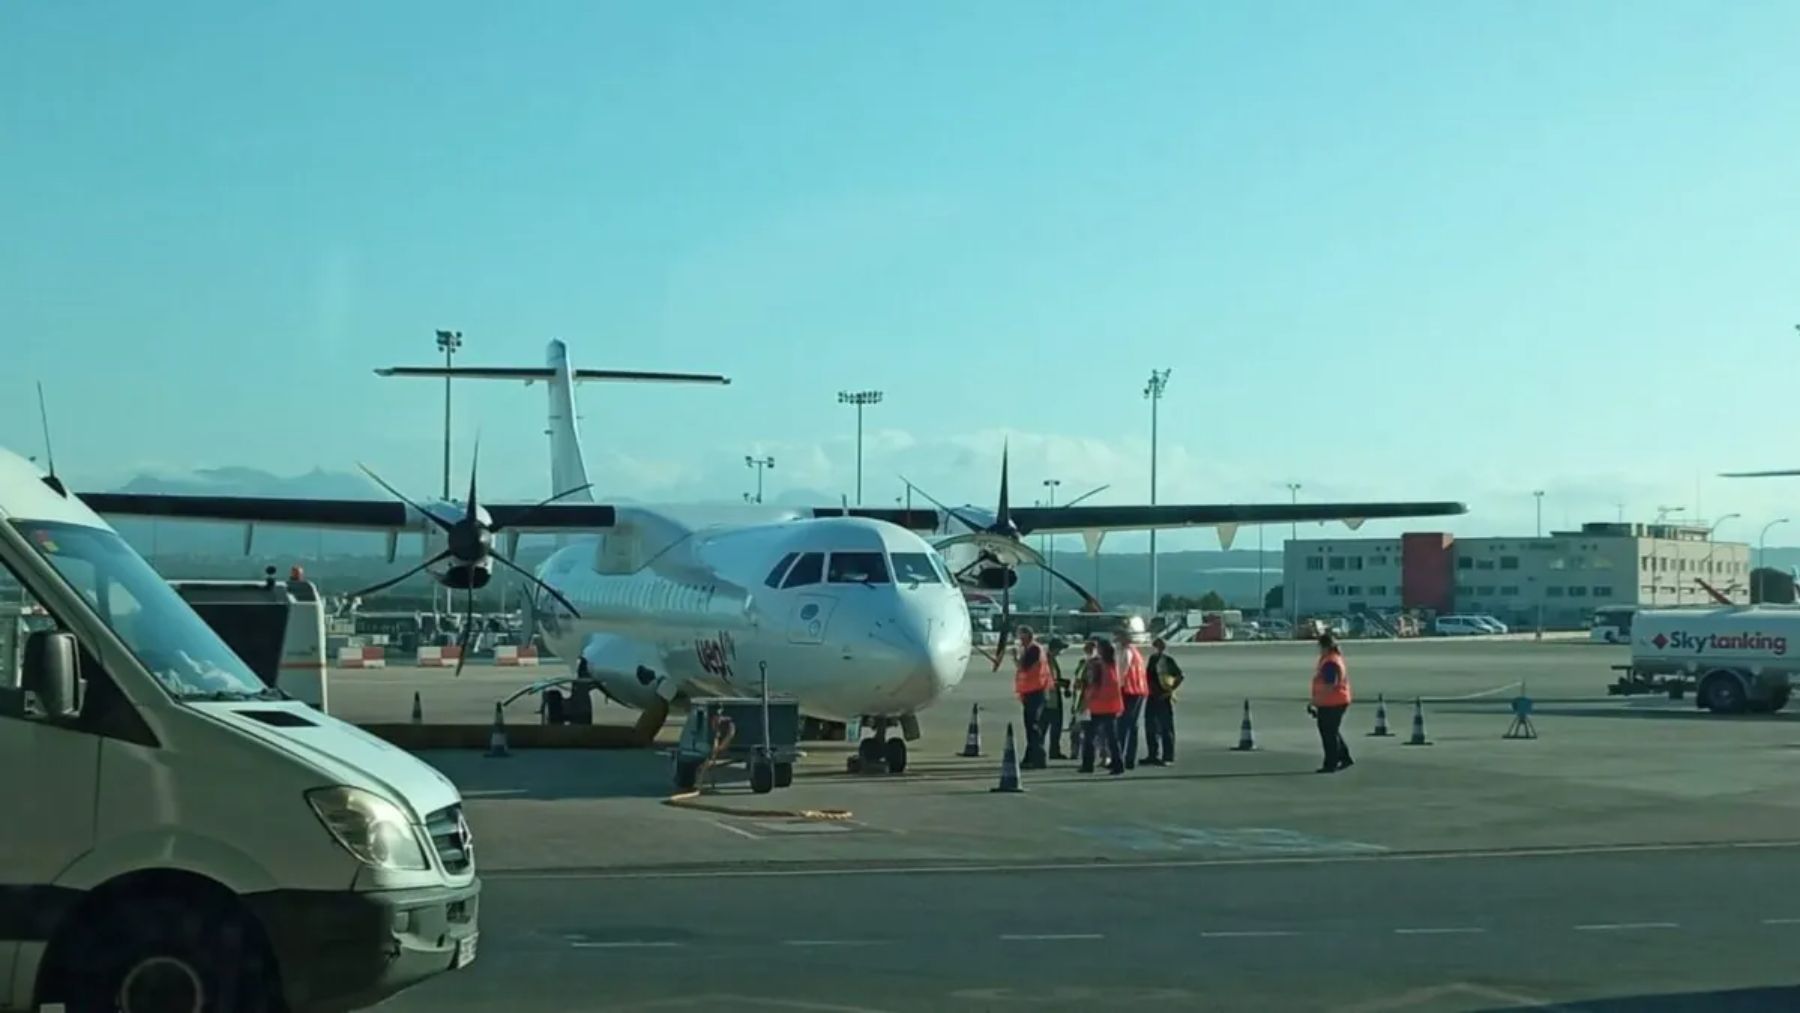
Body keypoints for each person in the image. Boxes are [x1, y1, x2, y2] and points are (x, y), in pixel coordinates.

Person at [1080, 639, 1127, 775]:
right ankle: (1118, 764)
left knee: (1090, 736)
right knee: (1112, 737)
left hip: (1098, 705)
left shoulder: (1097, 665)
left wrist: (1085, 701)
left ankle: (1088, 764)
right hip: (1111, 704)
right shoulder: (1112, 664)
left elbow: (1093, 685)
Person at [1309, 633, 1354, 773]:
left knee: (1328, 733)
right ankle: (1344, 757)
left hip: (1332, 702)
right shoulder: (1333, 658)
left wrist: (1316, 701)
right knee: (1332, 731)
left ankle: (1331, 763)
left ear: (1325, 646)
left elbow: (1330, 684)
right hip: (1336, 700)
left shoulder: (1330, 662)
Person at [1012, 626, 1052, 769]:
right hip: (1032, 691)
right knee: (1031, 726)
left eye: (1021, 636)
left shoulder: (1034, 649)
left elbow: (1023, 667)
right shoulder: (1032, 649)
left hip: (1035, 692)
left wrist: (1016, 656)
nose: (1019, 640)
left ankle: (1038, 758)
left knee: (1033, 726)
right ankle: (1030, 758)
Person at [1144, 637, 1185, 765]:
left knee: (1166, 727)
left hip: (1163, 697)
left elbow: (1179, 676)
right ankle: (1153, 754)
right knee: (1150, 726)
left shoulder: (1168, 661)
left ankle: (1168, 756)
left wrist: (1170, 691)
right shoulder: (1152, 659)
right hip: (1152, 696)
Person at [1114, 629, 1150, 769]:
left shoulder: (1126, 652)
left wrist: (1115, 689)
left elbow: (1121, 673)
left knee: (1124, 724)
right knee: (1131, 725)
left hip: (1129, 690)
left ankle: (1121, 756)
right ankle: (1129, 758)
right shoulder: (1134, 652)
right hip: (1137, 690)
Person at [1043, 636, 1070, 760]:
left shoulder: (1051, 659)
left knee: (1055, 727)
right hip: (1050, 698)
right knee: (1050, 726)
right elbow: (1050, 681)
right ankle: (1047, 751)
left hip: (1054, 695)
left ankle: (1054, 750)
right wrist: (1062, 684)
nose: (1061, 652)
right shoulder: (1047, 661)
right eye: (1060, 649)